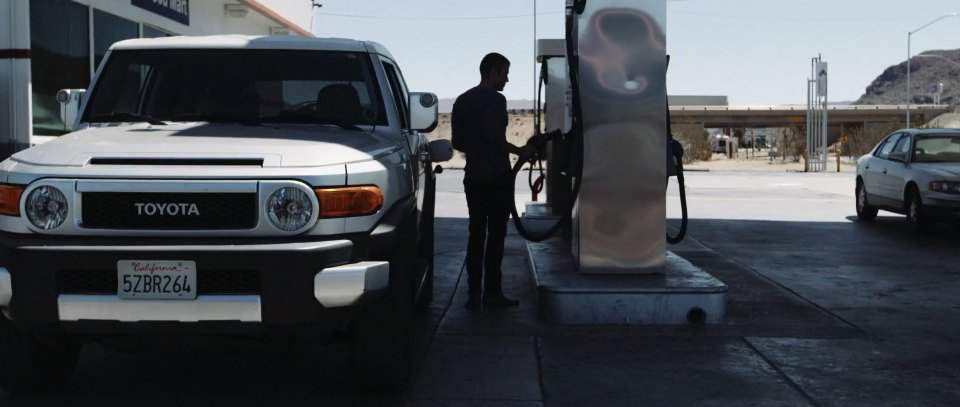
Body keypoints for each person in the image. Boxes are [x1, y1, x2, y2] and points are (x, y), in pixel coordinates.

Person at [451, 52, 530, 310]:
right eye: (505, 73)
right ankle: (492, 294)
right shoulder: (496, 101)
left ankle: (474, 295)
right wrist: (522, 151)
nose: (507, 79)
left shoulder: (462, 101)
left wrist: (476, 148)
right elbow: (497, 140)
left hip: (473, 177)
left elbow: (457, 143)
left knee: (476, 235)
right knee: (496, 237)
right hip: (496, 178)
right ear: (493, 71)